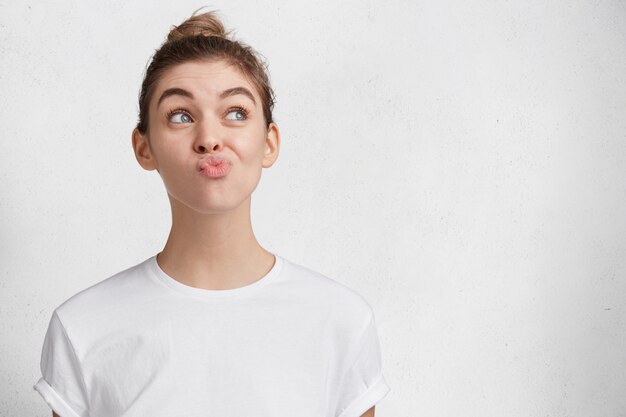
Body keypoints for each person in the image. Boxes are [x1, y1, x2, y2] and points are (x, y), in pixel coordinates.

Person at [33, 8, 390, 417]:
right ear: (143, 147)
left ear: (269, 142)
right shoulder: (83, 328)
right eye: (181, 116)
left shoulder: (340, 322)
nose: (209, 138)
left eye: (235, 112)